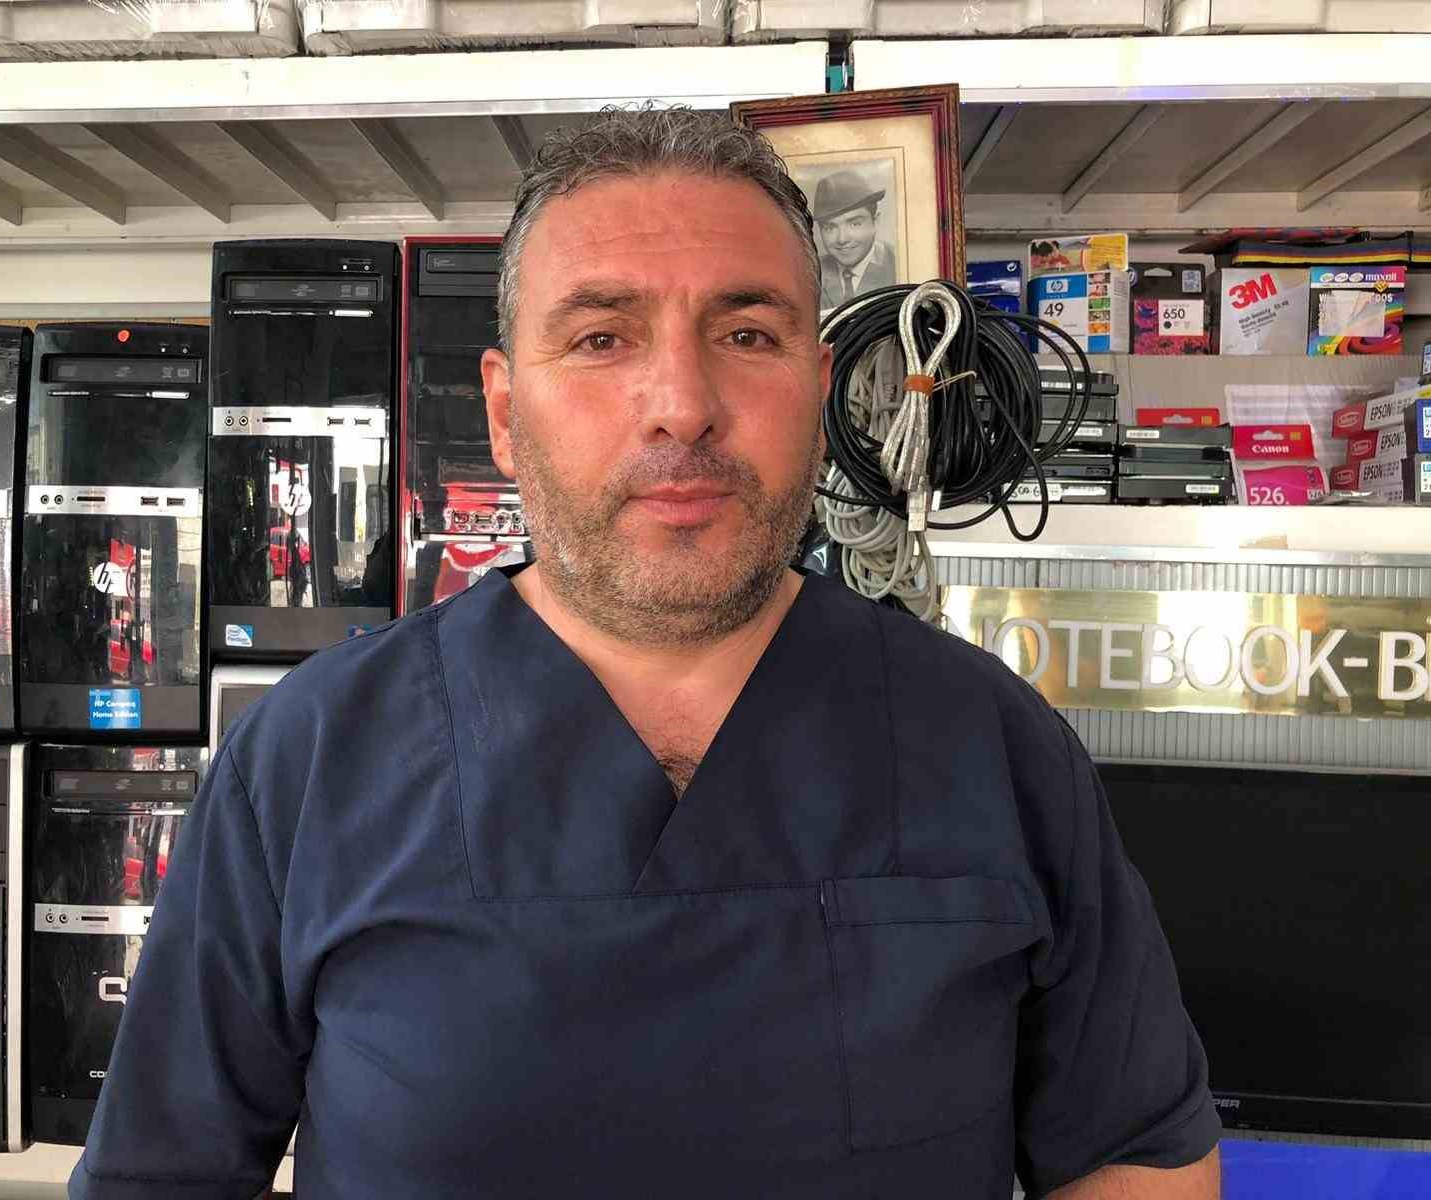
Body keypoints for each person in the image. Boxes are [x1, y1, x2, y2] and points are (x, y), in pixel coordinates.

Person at [71, 105, 1221, 1199]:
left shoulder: (996, 746)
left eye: (747, 333)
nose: (681, 403)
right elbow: (161, 1177)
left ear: (817, 395)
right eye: (601, 337)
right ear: (504, 413)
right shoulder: (309, 757)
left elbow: (1139, 1152)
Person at [813, 168, 898, 307]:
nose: (842, 239)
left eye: (854, 224)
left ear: (876, 221)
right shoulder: (811, 272)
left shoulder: (900, 263)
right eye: (830, 228)